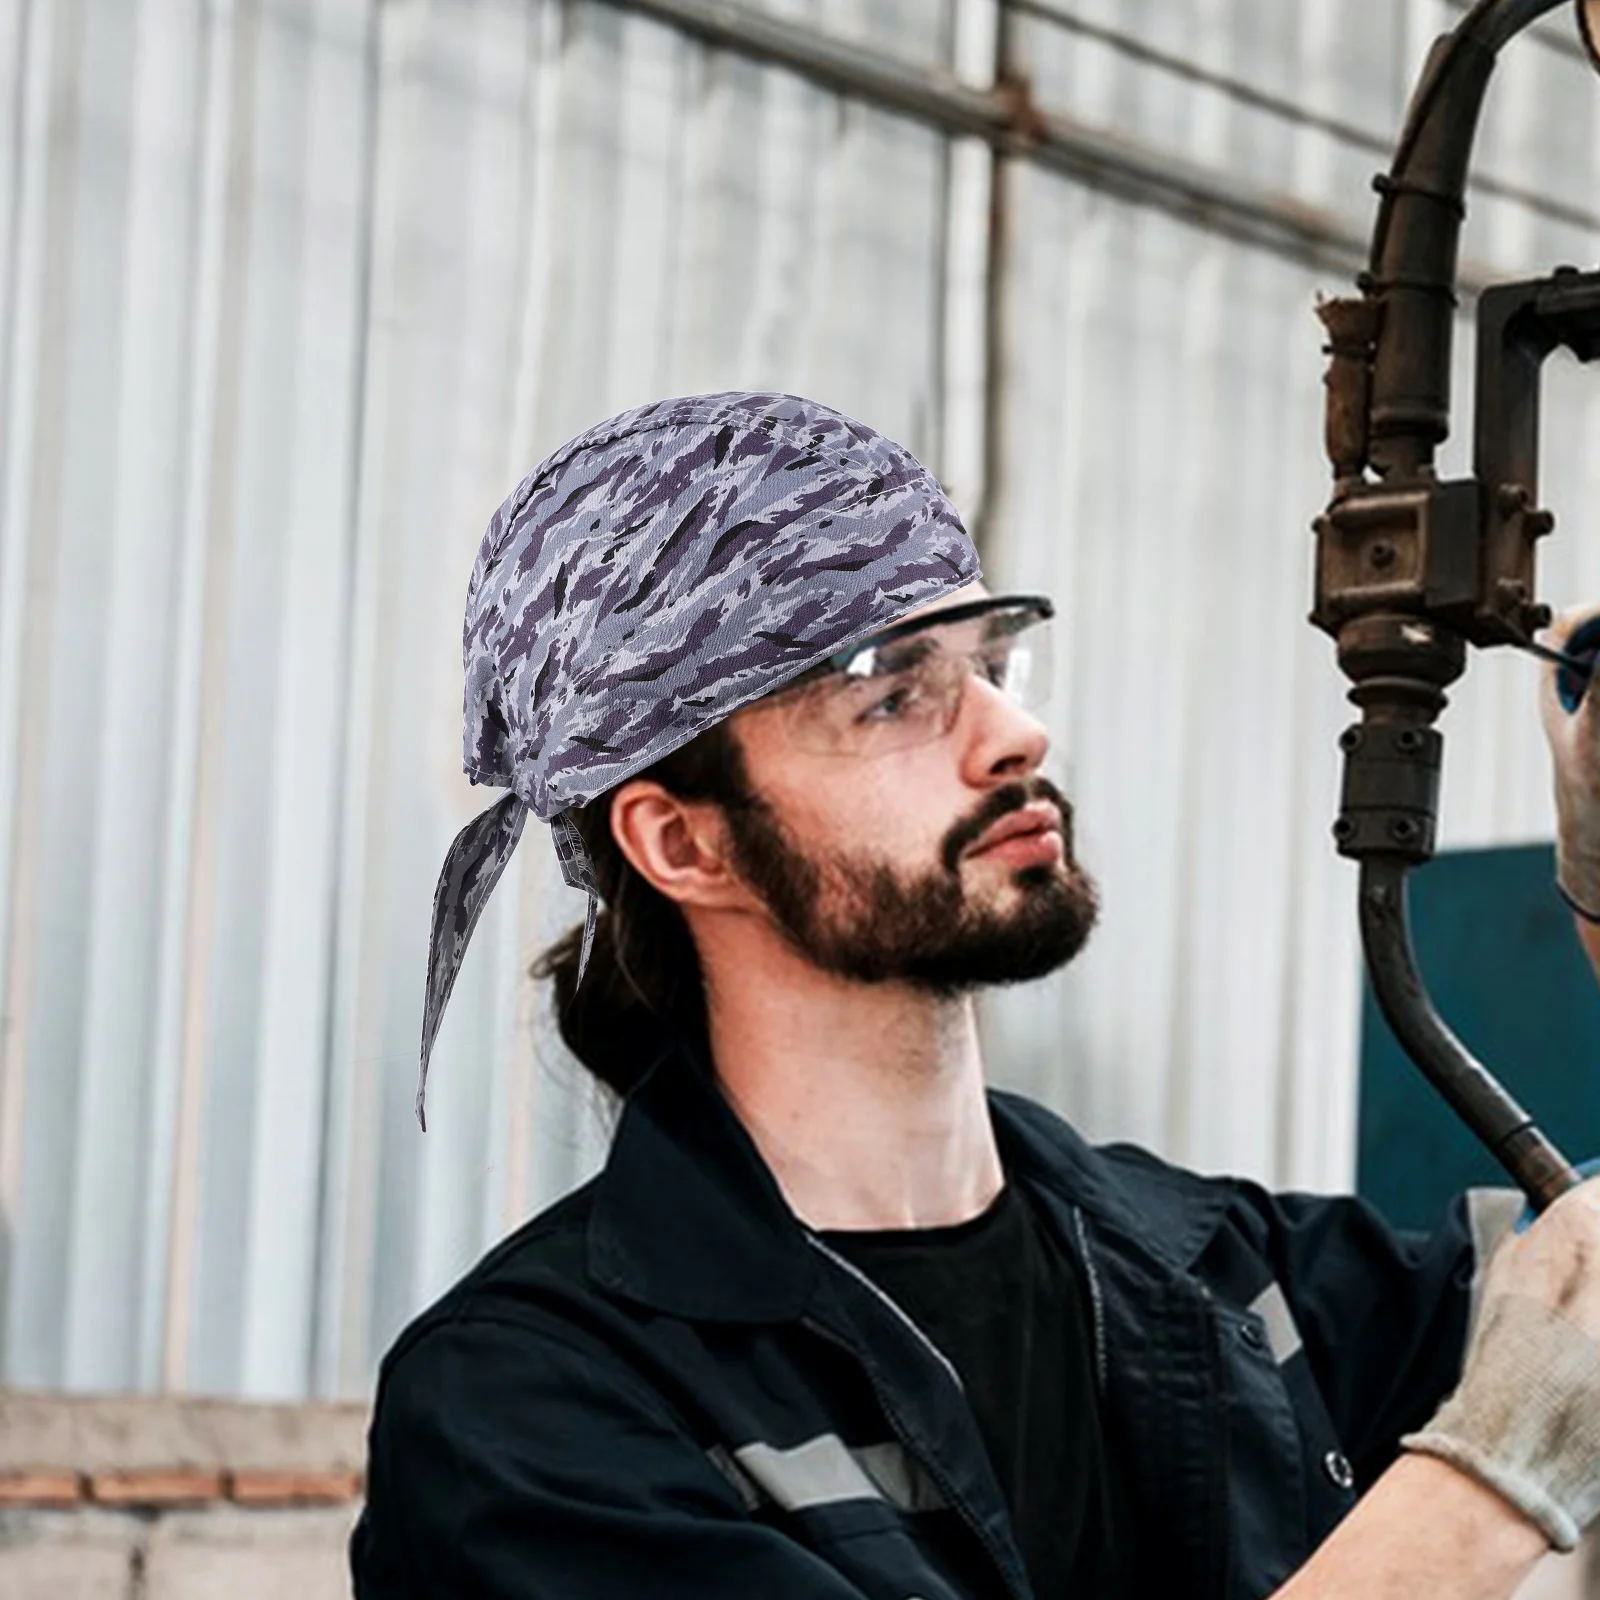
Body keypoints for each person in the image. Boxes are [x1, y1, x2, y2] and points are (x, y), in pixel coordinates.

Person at [351, 391, 1600, 1599]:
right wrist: (1486, 1486)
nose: (1013, 733)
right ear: (685, 844)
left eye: (993, 661)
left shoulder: (1226, 1276)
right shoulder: (527, 1415)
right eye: (892, 691)